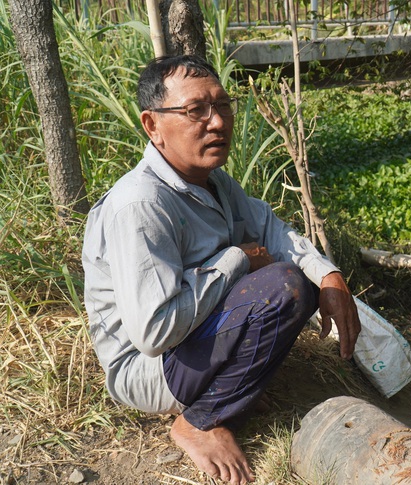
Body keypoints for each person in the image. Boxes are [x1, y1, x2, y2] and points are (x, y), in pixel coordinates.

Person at [82, 55, 361, 484]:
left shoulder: (211, 181)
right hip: (148, 369)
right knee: (282, 287)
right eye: (195, 110)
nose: (216, 122)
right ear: (152, 125)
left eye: (223, 105)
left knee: (297, 277)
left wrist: (328, 274)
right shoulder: (141, 205)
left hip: (188, 348)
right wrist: (235, 261)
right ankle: (198, 421)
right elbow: (154, 333)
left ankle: (231, 388)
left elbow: (270, 227)